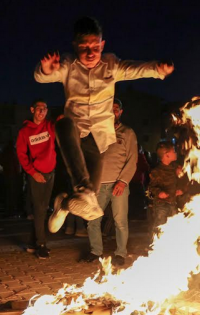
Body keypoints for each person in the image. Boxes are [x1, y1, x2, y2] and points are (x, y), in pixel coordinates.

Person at [34, 17, 174, 233]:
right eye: (84, 48)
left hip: (98, 140)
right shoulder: (68, 66)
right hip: (74, 132)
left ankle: (63, 205)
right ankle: (77, 193)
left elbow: (134, 69)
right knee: (63, 124)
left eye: (95, 48)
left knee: (91, 197)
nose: (90, 54)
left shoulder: (111, 64)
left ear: (102, 45)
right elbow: (42, 77)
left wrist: (158, 69)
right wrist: (45, 69)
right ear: (75, 46)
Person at [84, 99, 138, 266]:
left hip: (118, 184)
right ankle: (95, 251)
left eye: (116, 109)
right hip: (98, 184)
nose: (112, 112)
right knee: (93, 220)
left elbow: (132, 159)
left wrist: (122, 182)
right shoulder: (97, 132)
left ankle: (120, 253)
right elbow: (89, 156)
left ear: (120, 112)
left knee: (120, 221)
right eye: (109, 109)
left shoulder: (127, 133)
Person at [16, 99, 56, 259]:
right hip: (37, 175)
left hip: (51, 173)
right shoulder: (24, 132)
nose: (42, 112)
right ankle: (41, 245)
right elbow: (21, 155)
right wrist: (33, 173)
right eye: (39, 109)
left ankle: (32, 243)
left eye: (45, 109)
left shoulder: (50, 127)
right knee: (39, 210)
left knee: (42, 210)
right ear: (32, 110)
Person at [149, 142, 184, 232]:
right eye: (173, 151)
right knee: (160, 225)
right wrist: (159, 192)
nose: (175, 153)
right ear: (167, 155)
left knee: (174, 225)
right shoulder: (157, 171)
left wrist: (181, 189)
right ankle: (156, 243)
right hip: (161, 204)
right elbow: (152, 187)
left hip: (173, 203)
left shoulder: (176, 167)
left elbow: (182, 182)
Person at [0, 139, 23, 218]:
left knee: (8, 193)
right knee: (13, 194)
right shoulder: (14, 151)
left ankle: (8, 210)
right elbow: (17, 164)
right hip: (14, 175)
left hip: (6, 174)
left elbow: (1, 162)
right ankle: (12, 211)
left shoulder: (4, 151)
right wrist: (19, 173)